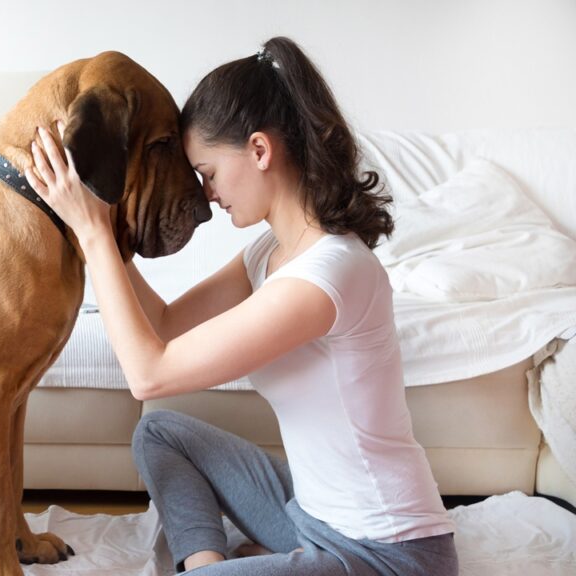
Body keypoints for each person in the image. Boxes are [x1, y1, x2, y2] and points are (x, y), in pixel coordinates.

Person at [25, 36, 459, 576]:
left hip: (389, 553)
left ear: (259, 150)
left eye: (207, 172)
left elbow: (150, 375)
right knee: (159, 433)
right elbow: (165, 326)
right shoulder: (267, 253)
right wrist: (104, 226)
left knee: (155, 413)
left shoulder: (330, 274)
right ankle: (204, 561)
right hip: (308, 515)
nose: (206, 195)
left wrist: (92, 235)